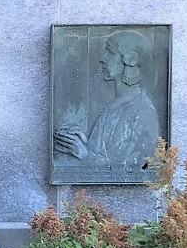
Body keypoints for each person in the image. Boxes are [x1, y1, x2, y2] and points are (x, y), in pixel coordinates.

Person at [53, 30, 159, 170]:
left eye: (110, 52)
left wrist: (83, 153)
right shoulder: (114, 107)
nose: (102, 58)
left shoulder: (144, 112)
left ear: (130, 60)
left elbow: (135, 171)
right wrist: (84, 141)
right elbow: (111, 156)